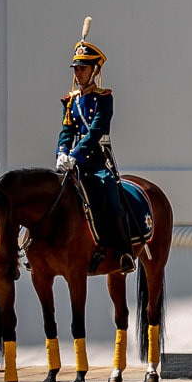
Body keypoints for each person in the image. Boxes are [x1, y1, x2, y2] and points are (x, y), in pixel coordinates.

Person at [56, 18, 133, 272]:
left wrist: (75, 154)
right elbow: (67, 130)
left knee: (111, 198)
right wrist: (61, 152)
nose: (77, 74)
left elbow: (96, 131)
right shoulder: (71, 101)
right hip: (75, 165)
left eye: (82, 69)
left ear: (94, 71)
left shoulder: (104, 99)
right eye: (76, 69)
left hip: (99, 162)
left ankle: (123, 252)